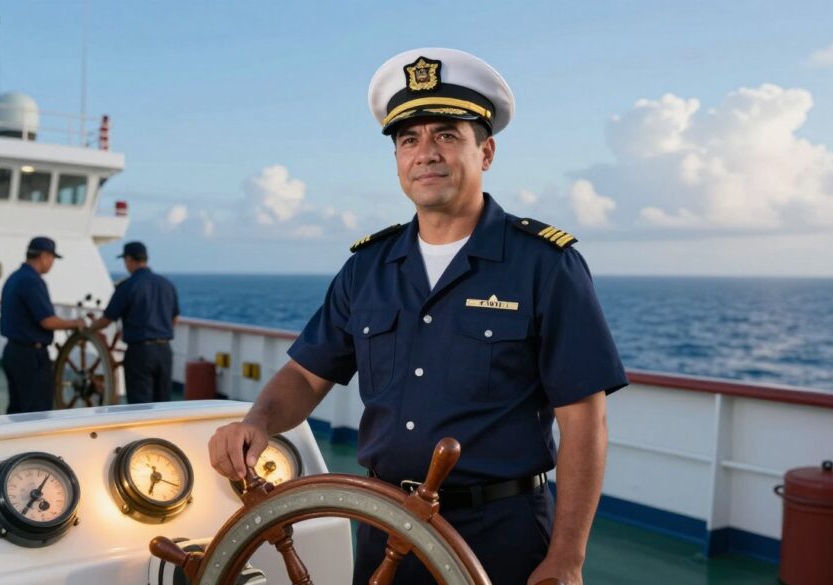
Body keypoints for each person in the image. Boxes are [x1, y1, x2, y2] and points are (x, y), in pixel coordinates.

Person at [208, 48, 628, 585]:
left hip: (502, 535)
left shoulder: (545, 264)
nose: (425, 153)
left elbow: (584, 419)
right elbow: (306, 375)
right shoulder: (367, 268)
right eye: (409, 140)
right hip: (383, 525)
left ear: (486, 151)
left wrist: (567, 557)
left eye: (446, 135)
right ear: (397, 159)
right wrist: (258, 422)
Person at [0, 236, 86, 414]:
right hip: (31, 357)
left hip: (13, 352)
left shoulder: (14, 278)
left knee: (17, 410)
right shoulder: (32, 281)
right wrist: (75, 323)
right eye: (52, 258)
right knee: (36, 412)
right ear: (44, 256)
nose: (52, 263)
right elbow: (47, 321)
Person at [90, 241, 180, 403]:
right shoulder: (166, 284)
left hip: (140, 352)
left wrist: (90, 327)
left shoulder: (127, 286)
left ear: (129, 259)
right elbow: (175, 318)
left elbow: (107, 319)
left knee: (140, 404)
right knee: (163, 404)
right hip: (164, 350)